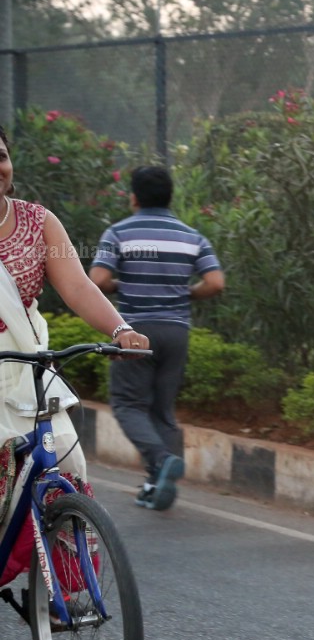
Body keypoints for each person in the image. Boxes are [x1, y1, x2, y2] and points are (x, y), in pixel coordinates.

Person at [0, 126, 150, 586]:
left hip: (27, 366)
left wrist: (120, 329)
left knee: (64, 459)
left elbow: (79, 286)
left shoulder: (37, 220)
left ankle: (68, 589)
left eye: (0, 156)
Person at [89, 166, 224, 511]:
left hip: (135, 331)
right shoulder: (191, 236)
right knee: (162, 410)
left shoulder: (119, 233)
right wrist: (185, 294)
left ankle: (161, 461)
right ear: (170, 197)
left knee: (127, 403)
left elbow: (97, 279)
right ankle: (156, 483)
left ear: (133, 197)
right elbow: (215, 283)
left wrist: (122, 285)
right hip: (177, 330)